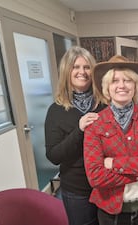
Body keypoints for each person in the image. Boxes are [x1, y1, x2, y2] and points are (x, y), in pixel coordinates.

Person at [83, 55, 138, 225]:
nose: (122, 85)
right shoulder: (95, 124)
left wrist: (113, 163)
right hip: (110, 208)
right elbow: (95, 177)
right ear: (107, 88)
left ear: (135, 86)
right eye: (115, 81)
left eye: (128, 80)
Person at [45, 46, 106, 225]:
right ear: (66, 71)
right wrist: (79, 130)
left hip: (107, 185)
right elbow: (53, 156)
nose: (82, 72)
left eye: (87, 67)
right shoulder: (56, 110)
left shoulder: (104, 104)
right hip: (77, 190)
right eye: (76, 67)